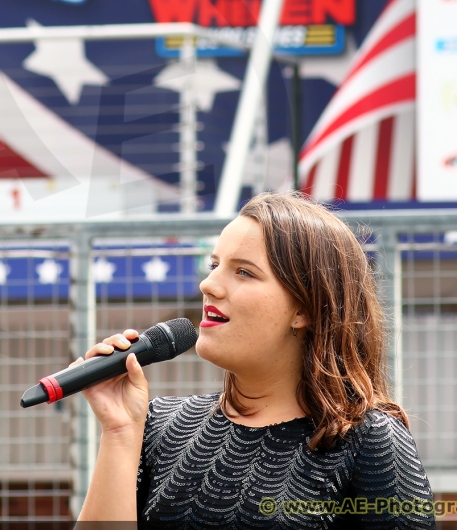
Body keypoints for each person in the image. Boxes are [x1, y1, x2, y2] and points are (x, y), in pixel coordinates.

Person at [73, 192, 435, 528]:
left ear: (304, 308)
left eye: (243, 271)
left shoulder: (369, 441)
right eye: (214, 265)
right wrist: (119, 433)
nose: (209, 284)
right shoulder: (161, 424)